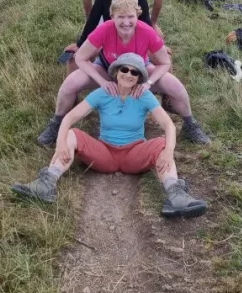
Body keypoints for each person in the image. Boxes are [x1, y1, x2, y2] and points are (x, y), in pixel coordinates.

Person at [13, 53, 208, 218]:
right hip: (105, 153)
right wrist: (60, 145)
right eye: (125, 69)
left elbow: (168, 125)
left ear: (139, 77)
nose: (129, 74)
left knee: (161, 143)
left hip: (135, 154)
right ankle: (47, 183)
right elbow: (70, 117)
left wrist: (168, 151)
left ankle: (176, 195)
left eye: (134, 72)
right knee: (72, 134)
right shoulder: (103, 93)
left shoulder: (144, 96)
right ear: (116, 71)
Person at [37, 0, 211, 148]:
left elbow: (164, 62)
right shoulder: (104, 29)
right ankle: (57, 124)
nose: (126, 22)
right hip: (107, 69)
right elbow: (81, 57)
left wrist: (149, 83)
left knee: (176, 86)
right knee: (71, 83)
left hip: (138, 72)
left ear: (138, 16)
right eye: (120, 17)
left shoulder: (147, 32)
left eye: (130, 17)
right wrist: (102, 82)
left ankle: (190, 125)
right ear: (112, 16)